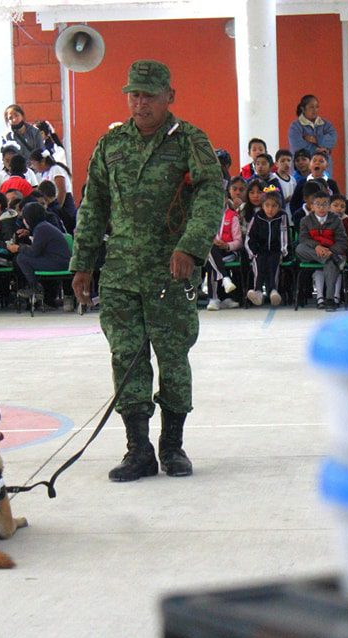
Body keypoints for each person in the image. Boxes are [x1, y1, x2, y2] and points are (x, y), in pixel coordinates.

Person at [70, 60, 223, 482]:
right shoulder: (111, 144)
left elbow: (212, 194)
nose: (140, 103)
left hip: (170, 273)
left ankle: (172, 446)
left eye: (149, 95)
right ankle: (138, 450)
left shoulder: (189, 141)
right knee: (126, 358)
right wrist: (82, 262)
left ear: (168, 96)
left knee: (173, 356)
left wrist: (191, 247)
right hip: (120, 272)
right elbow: (93, 205)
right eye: (134, 94)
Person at [295, 188, 347, 310]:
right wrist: (317, 246)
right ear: (312, 207)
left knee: (330, 264)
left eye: (325, 204)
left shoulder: (336, 220)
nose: (321, 208)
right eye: (318, 204)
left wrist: (330, 251)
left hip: (330, 251)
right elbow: (303, 239)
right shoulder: (306, 221)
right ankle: (332, 258)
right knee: (299, 248)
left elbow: (342, 241)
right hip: (312, 252)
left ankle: (329, 299)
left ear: (329, 206)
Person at [11, 202, 71, 303]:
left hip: (58, 263)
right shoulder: (43, 226)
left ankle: (34, 286)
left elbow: (34, 252)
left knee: (21, 258)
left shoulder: (41, 228)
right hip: (59, 261)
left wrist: (18, 248)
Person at [245, 189, 288, 307]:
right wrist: (252, 253)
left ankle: (273, 291)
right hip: (259, 250)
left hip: (275, 250)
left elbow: (284, 235)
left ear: (279, 207)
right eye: (267, 205)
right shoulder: (257, 216)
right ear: (262, 206)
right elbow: (249, 236)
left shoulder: (282, 216)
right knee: (259, 262)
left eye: (274, 206)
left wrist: (283, 252)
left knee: (273, 262)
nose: (270, 209)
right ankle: (257, 291)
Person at [205, 185, 244, 311]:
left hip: (228, 252)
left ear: (226, 199)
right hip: (212, 251)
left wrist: (227, 245)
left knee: (211, 261)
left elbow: (239, 241)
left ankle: (214, 298)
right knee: (211, 250)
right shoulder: (207, 216)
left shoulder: (232, 216)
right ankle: (225, 281)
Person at [29, 148, 77, 233]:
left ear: (43, 161)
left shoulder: (56, 169)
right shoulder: (45, 174)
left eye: (34, 163)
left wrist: (58, 209)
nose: (33, 167)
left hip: (63, 204)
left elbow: (62, 190)